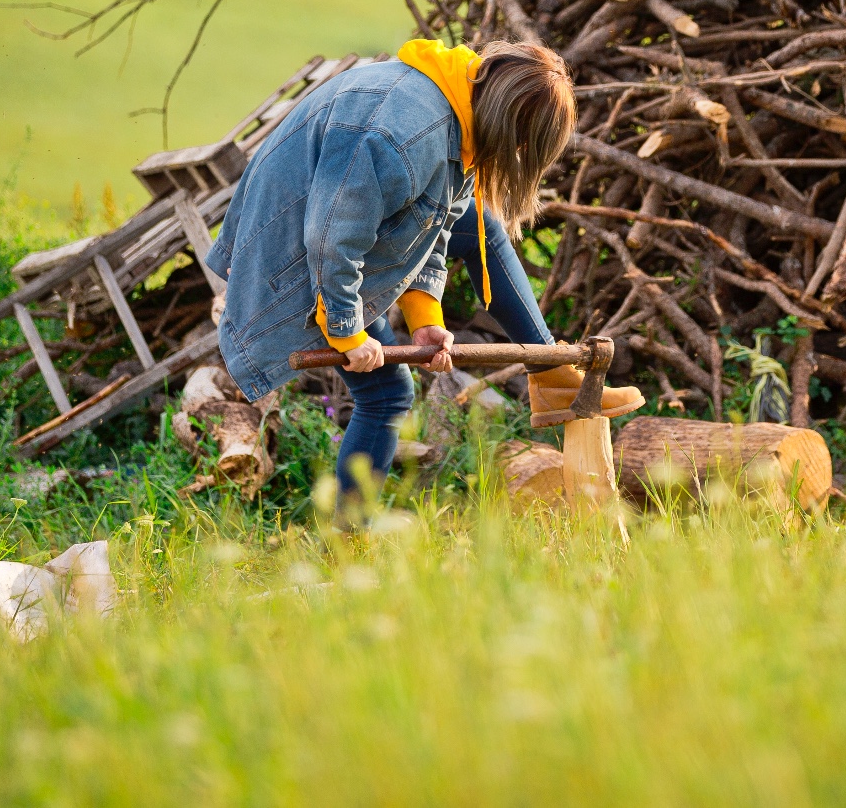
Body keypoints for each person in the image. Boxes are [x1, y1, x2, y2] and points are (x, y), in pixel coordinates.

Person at [207, 39, 642, 493]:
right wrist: (345, 330)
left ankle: (550, 372)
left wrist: (425, 318)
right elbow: (331, 236)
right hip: (291, 263)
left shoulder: (460, 108)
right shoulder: (397, 135)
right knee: (386, 393)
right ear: (508, 120)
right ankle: (350, 544)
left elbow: (431, 222)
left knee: (482, 227)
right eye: (521, 145)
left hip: (318, 240)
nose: (514, 157)